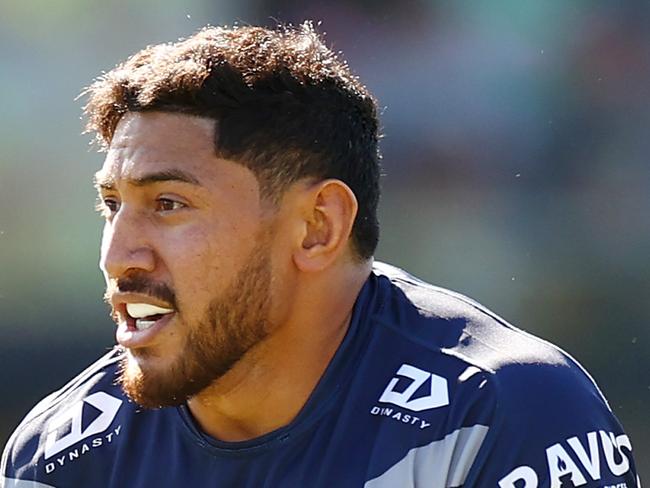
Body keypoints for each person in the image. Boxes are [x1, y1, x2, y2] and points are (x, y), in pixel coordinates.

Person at [1, 23, 640, 488]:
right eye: (112, 205)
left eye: (169, 204)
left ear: (316, 227)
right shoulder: (58, 456)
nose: (119, 255)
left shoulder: (497, 414)